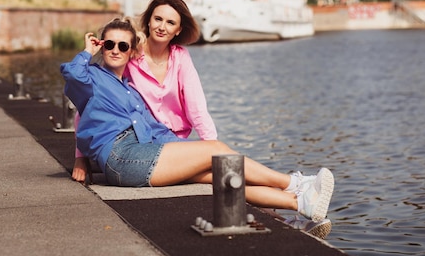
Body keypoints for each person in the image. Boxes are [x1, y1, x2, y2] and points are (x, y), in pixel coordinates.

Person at [60, 18, 335, 222]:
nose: (115, 50)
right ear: (101, 45)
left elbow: (155, 131)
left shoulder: (130, 91)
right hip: (120, 158)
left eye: (123, 45)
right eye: (109, 44)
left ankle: (299, 203)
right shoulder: (92, 78)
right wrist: (87, 51)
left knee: (219, 173)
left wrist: (188, 151)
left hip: (140, 153)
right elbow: (71, 75)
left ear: (132, 51)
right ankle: (294, 182)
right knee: (216, 150)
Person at [71, 0, 217, 182]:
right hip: (140, 142)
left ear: (178, 30)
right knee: (215, 175)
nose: (162, 27)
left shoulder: (181, 57)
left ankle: (266, 190)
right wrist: (80, 158)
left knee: (221, 169)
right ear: (148, 21)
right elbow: (91, 102)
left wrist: (211, 146)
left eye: (170, 23)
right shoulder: (129, 53)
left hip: (173, 141)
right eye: (158, 19)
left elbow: (197, 109)